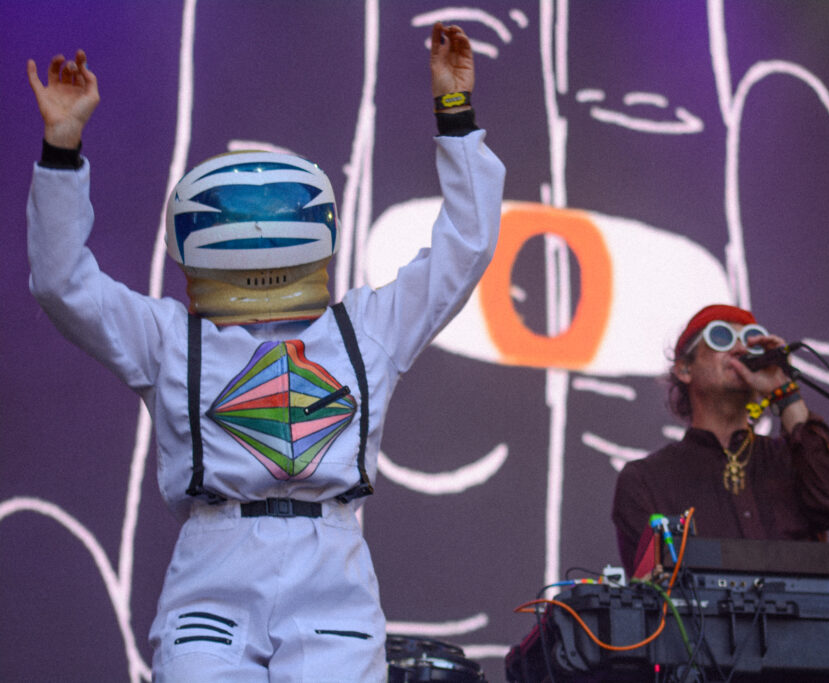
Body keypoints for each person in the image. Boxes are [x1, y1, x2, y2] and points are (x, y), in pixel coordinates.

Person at [26, 23, 504, 681]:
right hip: (218, 570)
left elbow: (467, 248)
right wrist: (61, 149)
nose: (258, 225)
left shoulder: (355, 332)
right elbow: (61, 283)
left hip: (325, 573)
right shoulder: (182, 343)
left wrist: (457, 117)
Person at [611, 304, 829, 576]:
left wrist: (785, 392)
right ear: (685, 369)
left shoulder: (793, 459)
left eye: (750, 341)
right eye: (721, 337)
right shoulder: (647, 480)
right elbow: (650, 595)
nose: (740, 350)